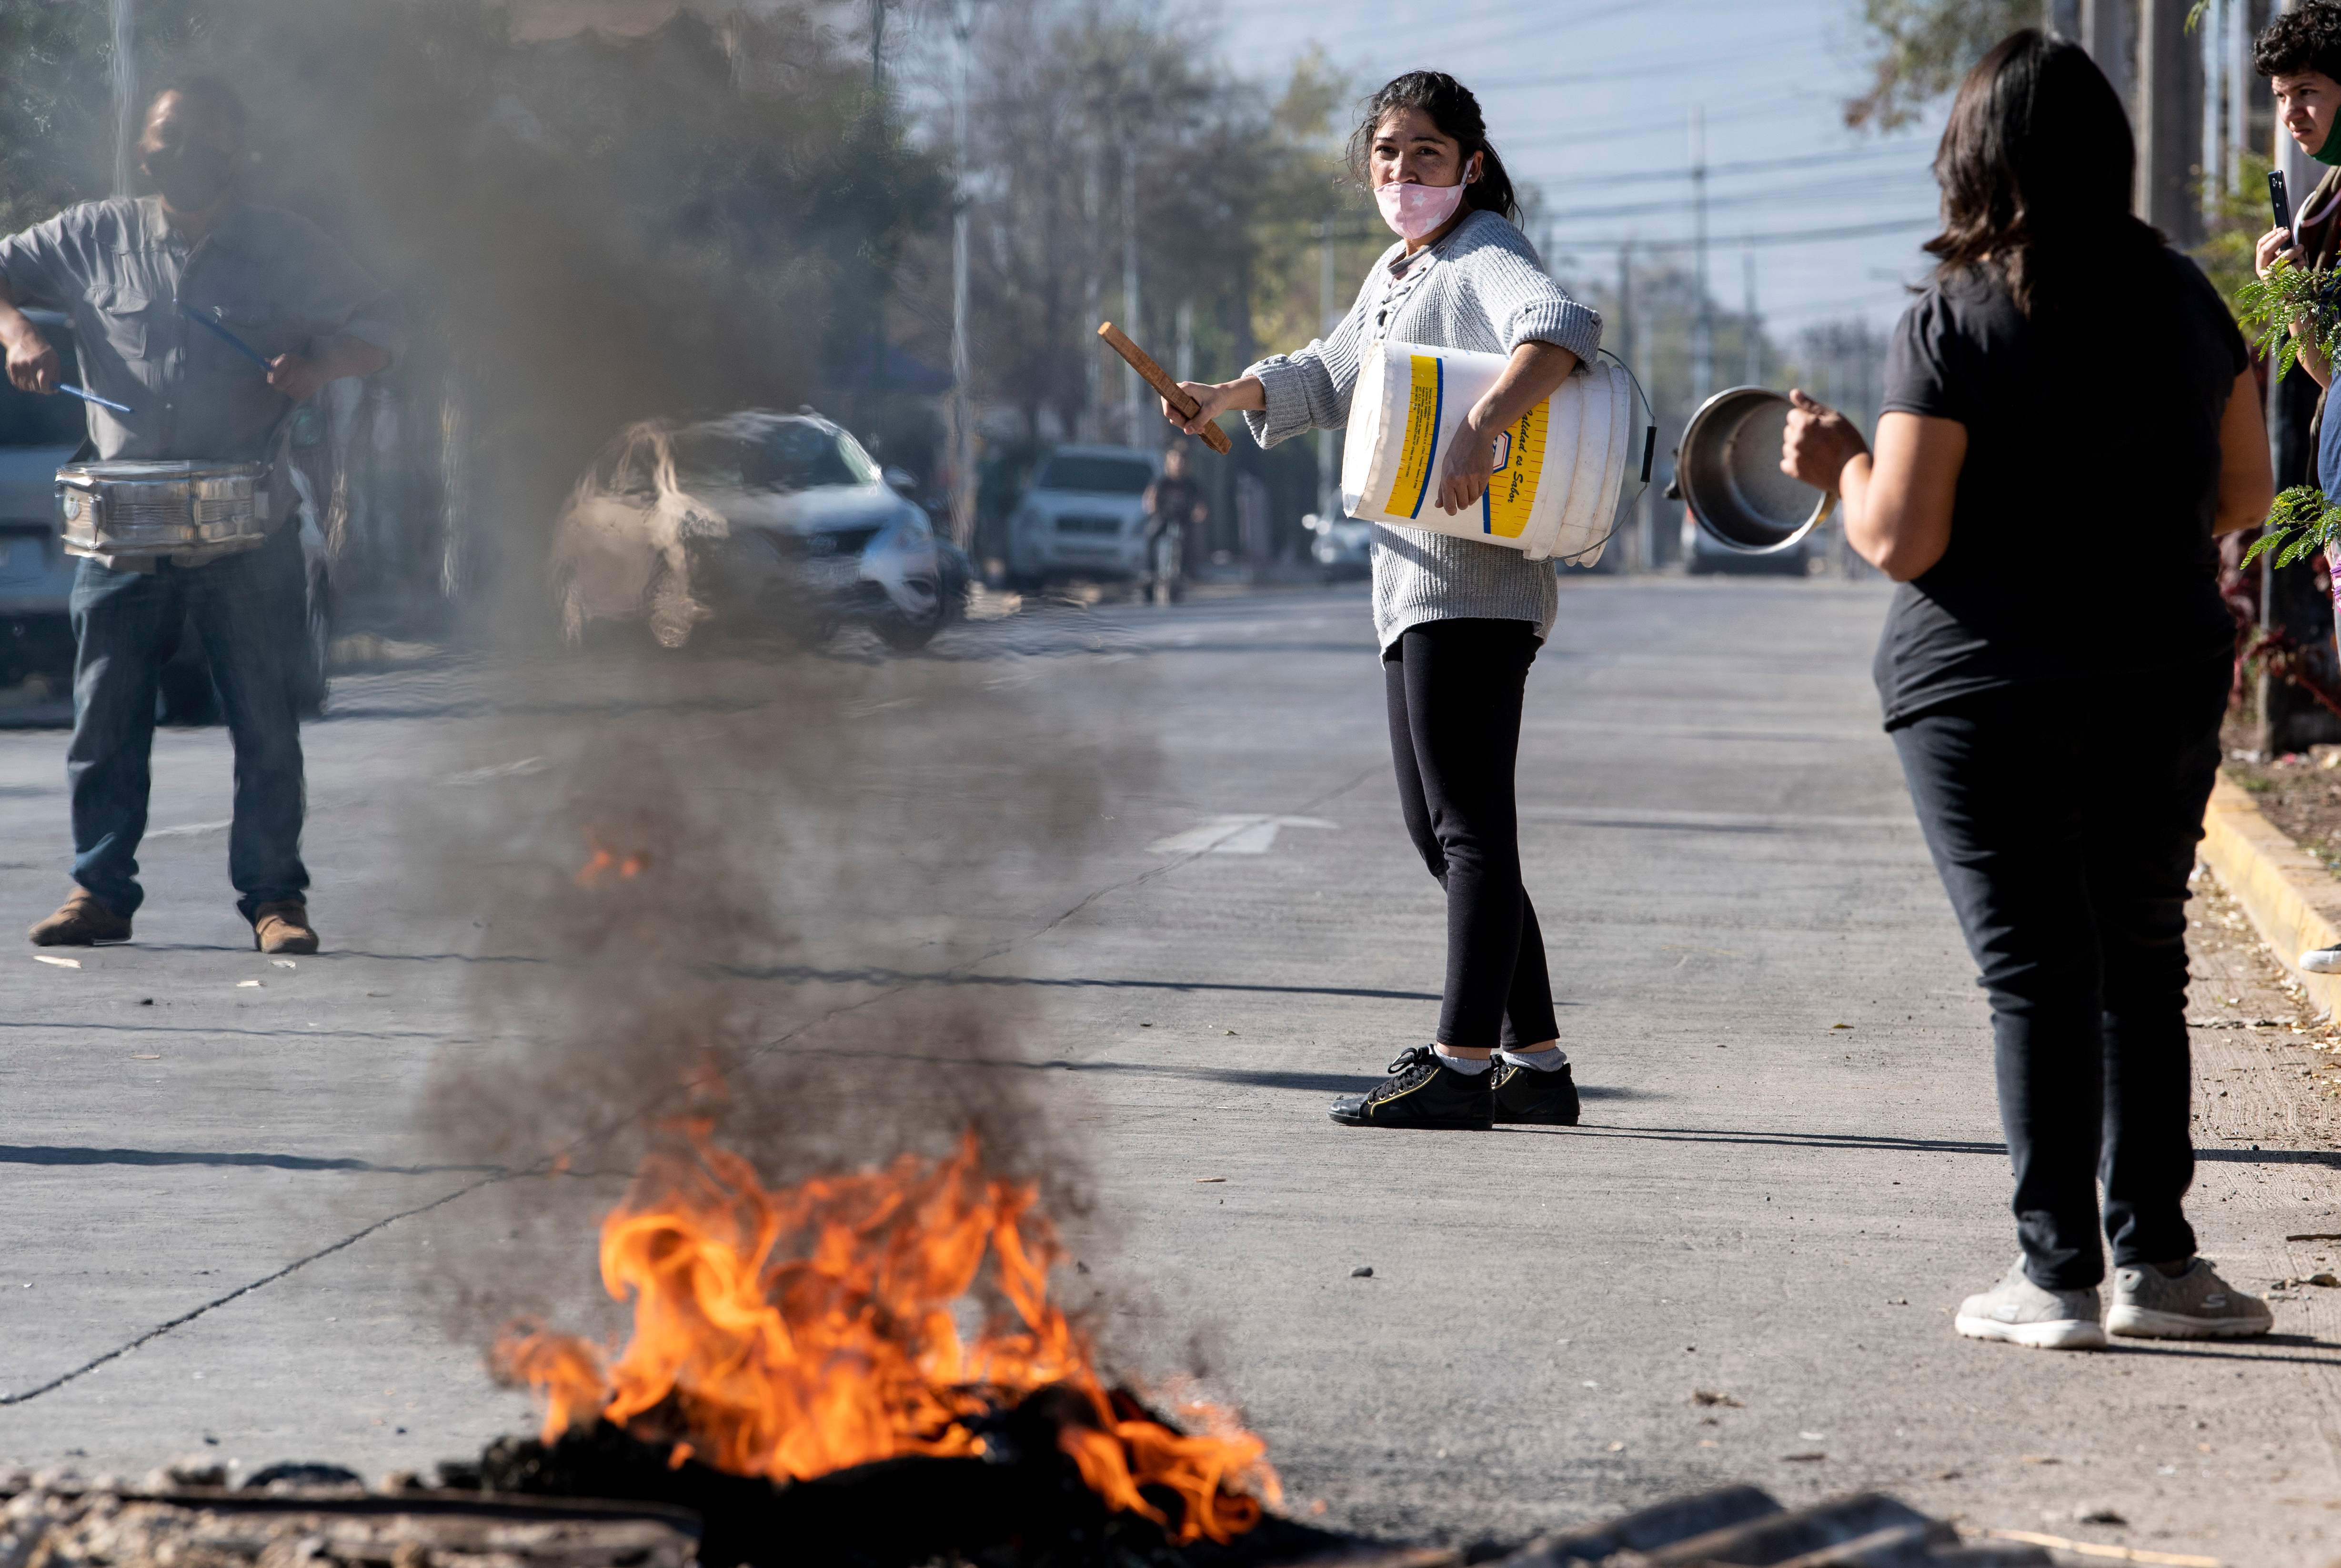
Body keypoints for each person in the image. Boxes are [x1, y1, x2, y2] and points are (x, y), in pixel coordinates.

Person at [1780, 32, 2277, 1348]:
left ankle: (2051, 1275)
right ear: (2106, 157)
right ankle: (2153, 1265)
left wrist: (1834, 460)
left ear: (1971, 160)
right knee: (2138, 959)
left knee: (2033, 976)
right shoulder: (2182, 298)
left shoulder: (1949, 319)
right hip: (2157, 670)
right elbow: (2242, 494)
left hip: (1981, 689)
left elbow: (1901, 536)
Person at [1163, 71, 1599, 1130]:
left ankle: (1460, 1064)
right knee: (1439, 827)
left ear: (1472, 165)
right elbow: (1328, 370)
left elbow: (1559, 326)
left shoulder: (1483, 250)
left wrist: (1487, 419)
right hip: (1413, 582)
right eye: (1388, 154)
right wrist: (1232, 393)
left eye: (1426, 154)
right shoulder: (1403, 270)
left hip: (1474, 583)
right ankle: (1535, 1063)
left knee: (1467, 828)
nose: (1403, 172)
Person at [0, 77, 399, 954]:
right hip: (122, 526)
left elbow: (391, 322)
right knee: (105, 717)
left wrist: (324, 361)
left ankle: (274, 899)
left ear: (239, 154)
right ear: (143, 147)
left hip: (246, 526)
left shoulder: (288, 246)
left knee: (264, 718)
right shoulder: (91, 235)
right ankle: (98, 891)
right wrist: (18, 332)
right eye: (168, 137)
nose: (185, 153)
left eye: (206, 139)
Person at [2246, 5, 2341, 977]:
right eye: (2284, 99)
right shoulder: (2322, 208)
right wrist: (2292, 302)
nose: (2296, 115)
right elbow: (2329, 377)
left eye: (2309, 92)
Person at [1139, 444, 1206, 605]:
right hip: (1163, 518)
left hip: (1183, 520)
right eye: (1175, 459)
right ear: (1168, 462)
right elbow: (1150, 499)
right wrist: (1151, 507)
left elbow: (1201, 504)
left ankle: (1184, 573)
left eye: (1182, 460)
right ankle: (1150, 573)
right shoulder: (1161, 482)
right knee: (1151, 534)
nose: (1178, 464)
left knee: (1188, 541)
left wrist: (1199, 513)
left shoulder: (1191, 484)